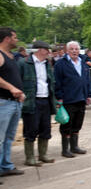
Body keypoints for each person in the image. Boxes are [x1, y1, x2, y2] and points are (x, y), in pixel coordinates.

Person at [18, 41, 57, 166]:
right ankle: (29, 157)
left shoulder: (47, 64)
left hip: (45, 100)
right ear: (40, 50)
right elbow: (18, 81)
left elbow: (50, 82)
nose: (49, 52)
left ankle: (42, 154)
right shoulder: (24, 63)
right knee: (31, 129)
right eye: (47, 50)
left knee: (45, 129)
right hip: (31, 101)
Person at [54, 41, 91, 158]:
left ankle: (74, 147)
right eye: (72, 49)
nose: (74, 51)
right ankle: (65, 150)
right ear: (67, 50)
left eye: (76, 49)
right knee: (66, 125)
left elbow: (87, 80)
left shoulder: (83, 63)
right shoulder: (60, 64)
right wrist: (59, 97)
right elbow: (57, 82)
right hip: (68, 99)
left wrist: (89, 95)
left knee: (77, 124)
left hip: (81, 98)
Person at [0, 27, 25, 179]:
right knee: (0, 138)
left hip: (15, 103)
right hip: (3, 103)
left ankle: (6, 165)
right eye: (14, 37)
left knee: (9, 137)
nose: (16, 40)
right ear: (7, 38)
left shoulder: (11, 56)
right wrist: (11, 88)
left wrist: (20, 93)